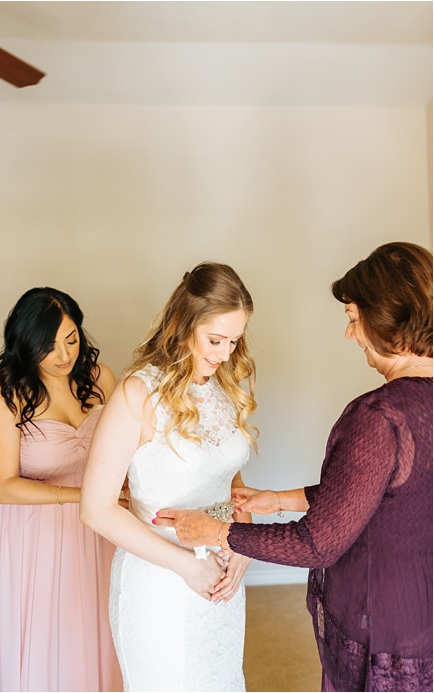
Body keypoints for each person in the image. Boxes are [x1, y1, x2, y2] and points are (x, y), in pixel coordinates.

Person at [157, 242, 433, 692]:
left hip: (385, 625)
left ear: (386, 317)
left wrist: (215, 532)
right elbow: (384, 491)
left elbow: (316, 544)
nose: (351, 335)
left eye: (352, 319)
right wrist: (278, 499)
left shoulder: (378, 416)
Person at [79, 262, 258, 691]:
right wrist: (186, 567)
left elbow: (232, 482)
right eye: (215, 340)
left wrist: (244, 544)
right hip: (158, 577)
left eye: (234, 341)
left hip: (221, 570)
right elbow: (95, 508)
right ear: (184, 323)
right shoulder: (137, 394)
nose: (224, 353)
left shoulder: (229, 386)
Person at [0, 287, 122, 691]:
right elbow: (2, 486)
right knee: (45, 629)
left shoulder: (101, 378)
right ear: (25, 344)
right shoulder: (8, 393)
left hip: (94, 523)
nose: (63, 355)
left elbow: (122, 449)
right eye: (48, 346)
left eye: (71, 339)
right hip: (31, 528)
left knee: (95, 621)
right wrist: (82, 497)